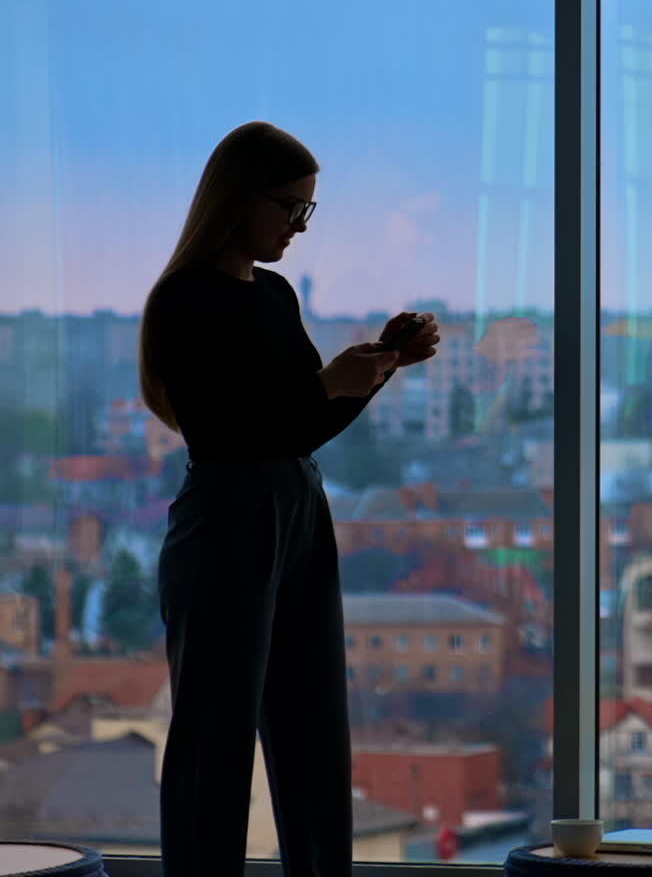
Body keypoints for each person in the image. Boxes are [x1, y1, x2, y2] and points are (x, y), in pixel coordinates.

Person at [138, 121, 440, 877]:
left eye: (308, 210)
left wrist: (382, 367)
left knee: (312, 730)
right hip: (230, 515)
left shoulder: (274, 296)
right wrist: (324, 384)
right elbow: (223, 429)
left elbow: (302, 427)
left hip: (293, 506)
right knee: (215, 743)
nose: (299, 227)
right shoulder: (184, 300)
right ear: (239, 199)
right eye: (289, 207)